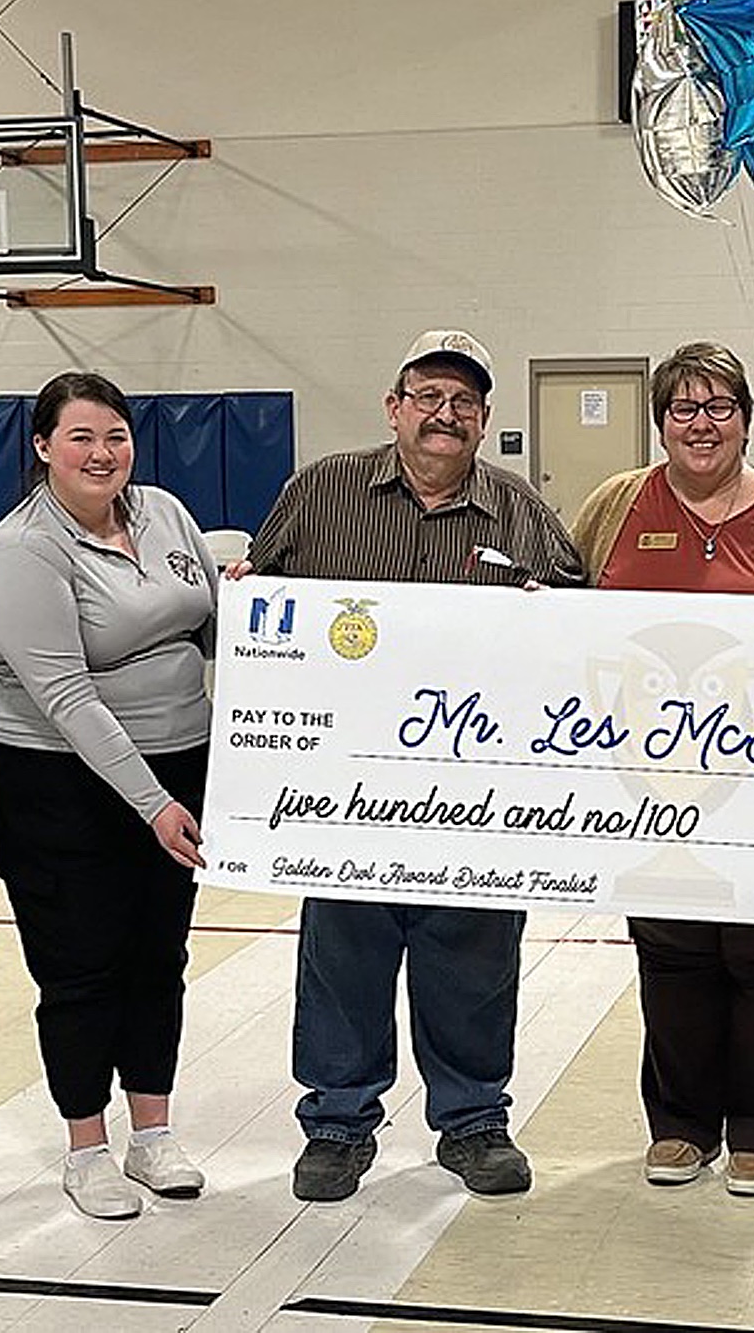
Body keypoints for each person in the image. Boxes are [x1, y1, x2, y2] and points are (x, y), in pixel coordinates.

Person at [243, 328, 584, 1203]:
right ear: (394, 408)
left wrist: (560, 621)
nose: (445, 414)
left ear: (483, 420)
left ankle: (472, 1122)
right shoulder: (320, 492)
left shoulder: (518, 511)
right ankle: (337, 1123)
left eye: (463, 403)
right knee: (343, 956)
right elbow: (258, 599)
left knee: (471, 960)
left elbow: (583, 625)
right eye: (427, 396)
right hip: (344, 790)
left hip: (477, 795)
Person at [569, 341, 754, 1198]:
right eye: (683, 409)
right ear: (661, 421)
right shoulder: (616, 503)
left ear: (744, 419)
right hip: (651, 782)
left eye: (718, 408)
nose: (701, 425)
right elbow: (560, 602)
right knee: (672, 954)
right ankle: (680, 1125)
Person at [0, 372, 216, 1220]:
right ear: (41, 447)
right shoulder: (22, 551)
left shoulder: (164, 512)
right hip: (56, 776)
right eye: (80, 437)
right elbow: (67, 699)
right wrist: (152, 805)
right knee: (82, 962)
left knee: (159, 952)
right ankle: (87, 1148)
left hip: (177, 757)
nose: (102, 453)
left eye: (115, 435)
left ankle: (153, 1135)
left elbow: (210, 622)